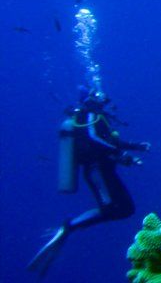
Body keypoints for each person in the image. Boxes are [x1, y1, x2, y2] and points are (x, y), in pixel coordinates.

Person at [27, 89, 150, 277]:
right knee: (111, 208)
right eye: (101, 97)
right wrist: (122, 153)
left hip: (104, 169)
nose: (105, 101)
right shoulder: (91, 115)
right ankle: (68, 227)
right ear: (93, 99)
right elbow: (94, 140)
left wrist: (135, 147)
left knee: (126, 208)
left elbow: (110, 142)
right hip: (96, 171)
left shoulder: (96, 117)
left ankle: (69, 227)